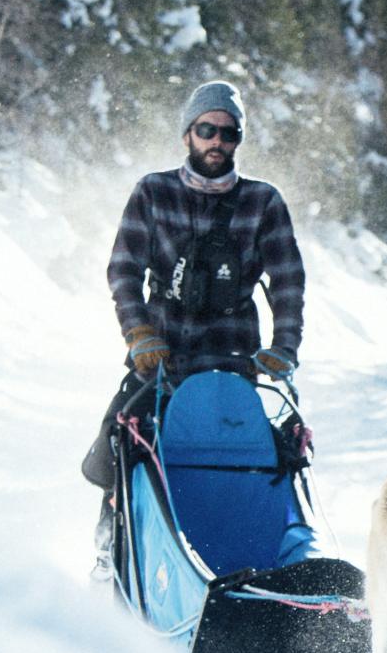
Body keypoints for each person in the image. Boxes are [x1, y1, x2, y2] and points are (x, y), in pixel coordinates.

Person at [85, 80, 309, 569]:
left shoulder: (263, 203)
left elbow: (288, 282)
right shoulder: (153, 192)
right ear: (188, 134)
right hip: (160, 363)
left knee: (261, 462)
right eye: (207, 129)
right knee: (115, 454)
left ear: (238, 142)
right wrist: (139, 333)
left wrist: (284, 348)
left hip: (232, 366)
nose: (217, 142)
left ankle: (257, 560)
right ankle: (110, 556)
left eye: (229, 134)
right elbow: (123, 270)